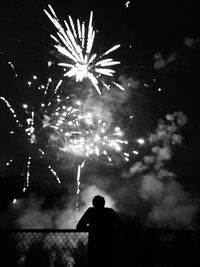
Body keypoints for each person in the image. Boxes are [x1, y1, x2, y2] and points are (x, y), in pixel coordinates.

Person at [76, 195, 124, 267]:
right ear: (103, 203)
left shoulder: (91, 212)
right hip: (109, 246)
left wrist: (91, 228)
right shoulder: (110, 212)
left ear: (93, 203)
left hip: (94, 247)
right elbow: (121, 226)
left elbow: (79, 226)